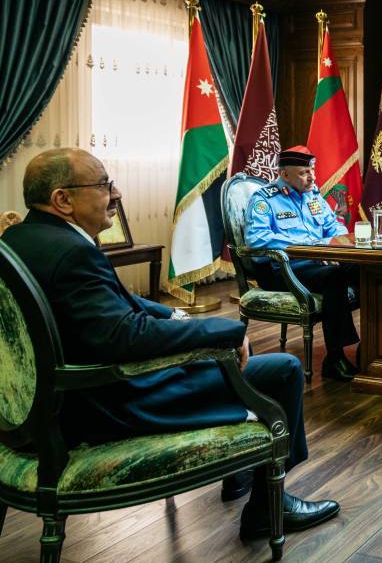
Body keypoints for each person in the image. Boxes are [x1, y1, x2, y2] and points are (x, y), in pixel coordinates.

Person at [1, 148, 340, 540]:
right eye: (104, 185)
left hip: (44, 406)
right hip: (113, 403)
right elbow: (125, 336)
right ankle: (268, 506)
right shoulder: (73, 253)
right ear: (62, 199)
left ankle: (243, 467)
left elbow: (117, 303)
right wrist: (223, 332)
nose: (117, 194)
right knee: (284, 371)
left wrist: (175, 316)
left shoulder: (21, 239)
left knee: (224, 364)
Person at [244, 146, 360, 382]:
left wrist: (339, 244)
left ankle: (372, 347)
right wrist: (309, 247)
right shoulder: (265, 199)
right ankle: (334, 359)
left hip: (313, 263)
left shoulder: (313, 196)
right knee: (334, 277)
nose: (312, 177)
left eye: (312, 170)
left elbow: (333, 227)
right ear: (284, 175)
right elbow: (257, 240)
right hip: (279, 268)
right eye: (304, 172)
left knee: (363, 269)